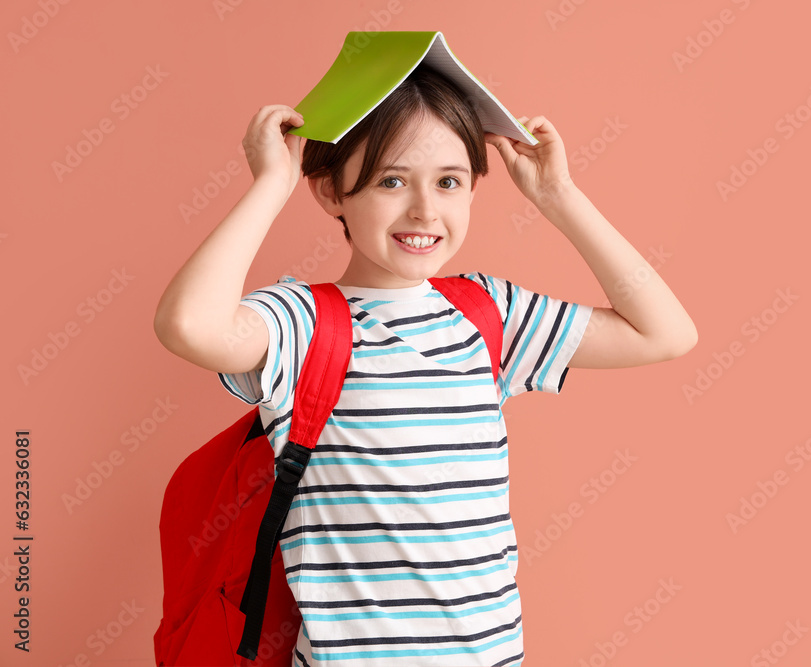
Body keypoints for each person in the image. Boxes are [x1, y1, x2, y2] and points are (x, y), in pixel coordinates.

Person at [154, 62, 697, 667]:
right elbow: (189, 326)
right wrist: (268, 187)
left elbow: (665, 333)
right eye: (391, 181)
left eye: (449, 182)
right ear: (331, 189)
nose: (423, 211)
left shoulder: (490, 312)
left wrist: (558, 197)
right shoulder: (301, 322)